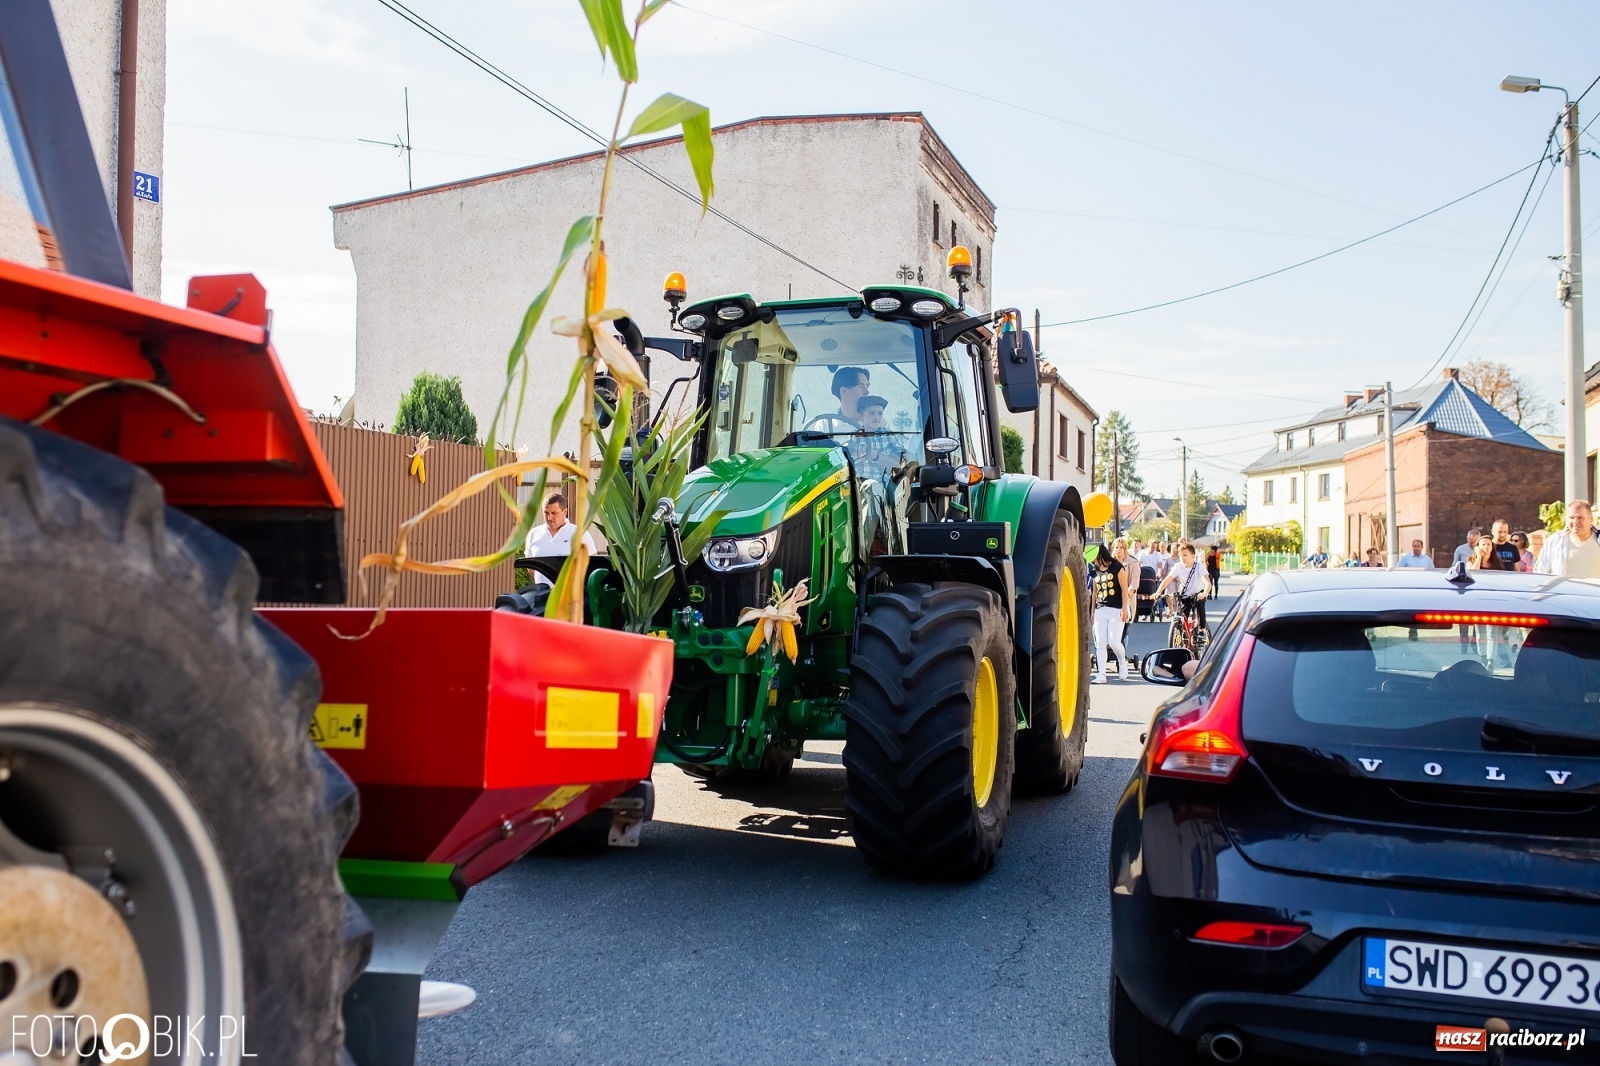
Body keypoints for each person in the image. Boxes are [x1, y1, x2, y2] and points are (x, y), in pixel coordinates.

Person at [1091, 538, 1133, 684]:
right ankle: (1101, 674)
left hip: (1116, 609)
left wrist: (1124, 608)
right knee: (1100, 643)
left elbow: (1124, 589)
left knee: (1114, 642)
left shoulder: (1117, 567)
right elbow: (1094, 593)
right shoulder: (1094, 570)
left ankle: (1122, 661)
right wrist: (1092, 613)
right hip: (1100, 610)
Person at [1534, 499, 1600, 578]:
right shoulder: (1555, 540)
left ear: (1590, 518)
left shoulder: (1598, 538)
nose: (1575, 521)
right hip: (1563, 590)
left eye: (1580, 517)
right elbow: (1540, 570)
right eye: (1571, 518)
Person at [525, 493, 598, 560]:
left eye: (554, 513)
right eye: (546, 513)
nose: (549, 518)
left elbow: (594, 563)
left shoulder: (581, 535)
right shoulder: (533, 534)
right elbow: (530, 564)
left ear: (565, 511)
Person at [1156, 543, 1209, 630]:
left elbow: (1207, 583)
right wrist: (1158, 592)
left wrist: (1205, 593)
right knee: (1183, 616)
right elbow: (1167, 580)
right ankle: (1183, 633)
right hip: (1185, 594)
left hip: (1198, 593)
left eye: (1185, 555)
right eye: (1180, 555)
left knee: (1199, 603)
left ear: (1192, 556)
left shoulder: (1199, 566)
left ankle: (1202, 629)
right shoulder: (1178, 566)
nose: (1182, 558)